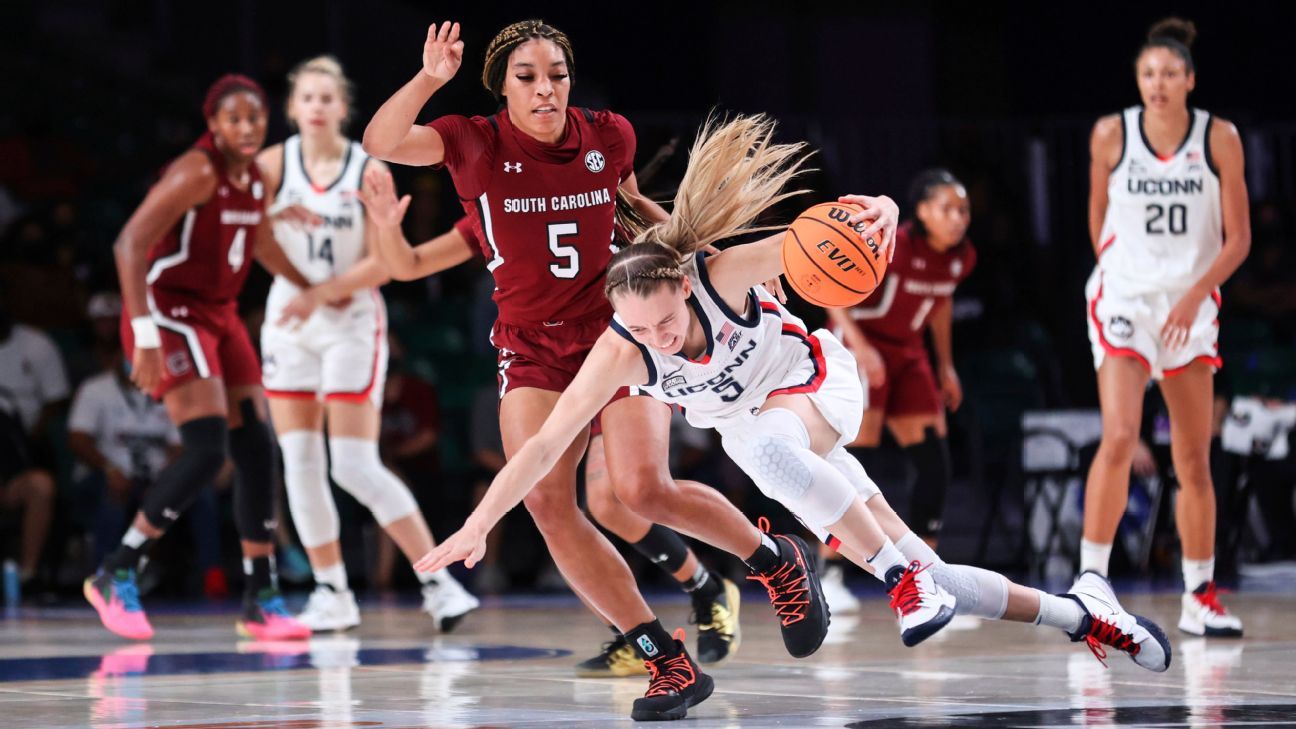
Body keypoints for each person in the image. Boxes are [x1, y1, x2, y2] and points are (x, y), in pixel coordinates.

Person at [419, 115, 1174, 692]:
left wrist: (880, 207)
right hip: (760, 428)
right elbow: (545, 445)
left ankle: (894, 582)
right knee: (933, 569)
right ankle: (1081, 614)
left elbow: (835, 226)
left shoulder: (723, 273)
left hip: (817, 383)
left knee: (769, 449)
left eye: (666, 323)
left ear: (686, 285)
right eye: (640, 329)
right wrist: (479, 523)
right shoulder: (621, 346)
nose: (659, 338)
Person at [363, 21, 834, 713]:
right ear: (501, 87)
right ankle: (664, 658)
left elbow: (639, 217)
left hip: (618, 333)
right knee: (550, 506)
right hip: (530, 346)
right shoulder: (474, 143)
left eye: (556, 73)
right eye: (527, 76)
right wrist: (431, 78)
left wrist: (720, 264)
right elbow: (380, 142)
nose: (545, 87)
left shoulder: (609, 135)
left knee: (640, 490)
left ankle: (775, 563)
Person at [85, 74, 314, 641]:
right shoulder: (197, 170)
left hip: (219, 312)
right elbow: (129, 245)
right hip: (168, 308)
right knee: (207, 448)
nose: (245, 127)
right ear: (212, 124)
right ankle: (117, 571)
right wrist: (142, 335)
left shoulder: (255, 178)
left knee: (257, 447)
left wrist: (312, 287)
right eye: (233, 119)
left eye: (254, 118)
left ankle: (261, 596)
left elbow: (258, 242)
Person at [256, 55, 477, 633]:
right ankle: (332, 591)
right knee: (301, 462)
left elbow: (388, 262)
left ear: (344, 107)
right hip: (291, 321)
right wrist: (279, 221)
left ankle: (438, 581)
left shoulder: (367, 169)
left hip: (351, 319)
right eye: (308, 97)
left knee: (352, 462)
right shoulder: (272, 166)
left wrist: (323, 290)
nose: (319, 107)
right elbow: (240, 230)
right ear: (293, 108)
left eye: (329, 98)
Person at [1080, 17, 1250, 637]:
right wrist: (1131, 274)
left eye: (1170, 74)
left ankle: (1199, 596)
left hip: (1191, 304)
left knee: (1193, 458)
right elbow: (1098, 219)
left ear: (1190, 80)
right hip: (1127, 299)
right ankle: (1092, 587)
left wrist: (1191, 294)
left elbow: (1239, 240)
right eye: (1149, 73)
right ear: (1138, 79)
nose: (1158, 83)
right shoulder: (1110, 133)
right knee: (1121, 435)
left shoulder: (1219, 138)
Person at [824, 168, 975, 612]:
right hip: (861, 344)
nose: (958, 218)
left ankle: (931, 574)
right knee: (854, 460)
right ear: (922, 211)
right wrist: (860, 347)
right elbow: (830, 290)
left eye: (963, 210)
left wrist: (946, 365)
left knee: (934, 461)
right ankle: (830, 568)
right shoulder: (890, 240)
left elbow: (941, 301)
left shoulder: (961, 257)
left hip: (908, 353)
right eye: (947, 208)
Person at [0, 289, 63, 594]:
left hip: (14, 459)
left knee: (40, 485)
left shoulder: (35, 345)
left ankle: (28, 574)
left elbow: (56, 401)